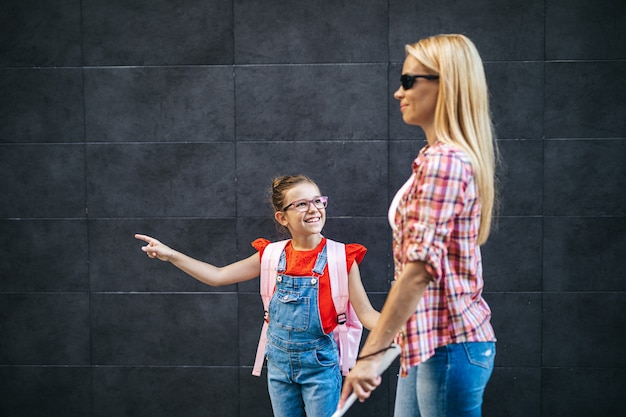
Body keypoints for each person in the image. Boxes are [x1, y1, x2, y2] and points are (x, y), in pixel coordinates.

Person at [338, 34, 498, 417]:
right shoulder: (435, 156)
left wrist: (372, 355)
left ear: (447, 84)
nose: (398, 92)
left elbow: (417, 272)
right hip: (426, 342)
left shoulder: (444, 163)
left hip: (448, 346)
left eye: (409, 81)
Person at [136, 175, 379, 417]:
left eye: (318, 201)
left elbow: (367, 314)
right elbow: (217, 276)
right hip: (278, 365)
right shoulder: (271, 255)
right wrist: (171, 255)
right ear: (282, 217)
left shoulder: (341, 258)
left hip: (321, 366)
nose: (313, 209)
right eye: (302, 204)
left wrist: (404, 324)